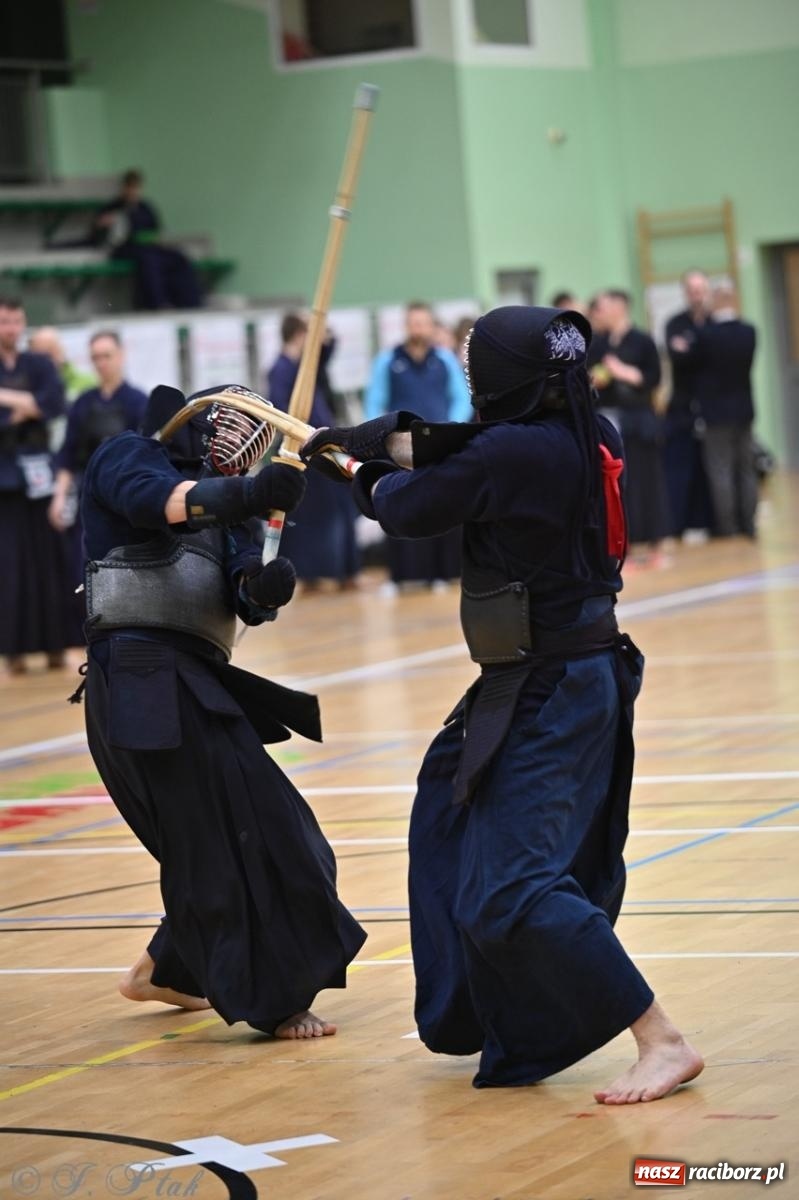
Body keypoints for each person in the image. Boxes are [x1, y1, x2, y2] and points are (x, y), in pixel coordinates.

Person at [303, 305, 703, 1102]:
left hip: (550, 684)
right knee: (446, 809)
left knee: (511, 884)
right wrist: (385, 434)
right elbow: (461, 448)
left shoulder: (514, 451)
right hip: (555, 672)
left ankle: (661, 1038)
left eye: (474, 361)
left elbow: (407, 508)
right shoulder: (587, 429)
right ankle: (489, 1014)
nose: (466, 370)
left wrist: (348, 466)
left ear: (504, 377)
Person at [78, 384, 366, 1036]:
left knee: (275, 833)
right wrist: (249, 495)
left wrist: (262, 588)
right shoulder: (129, 456)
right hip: (137, 681)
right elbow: (157, 506)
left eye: (253, 427)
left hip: (199, 681)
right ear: (191, 418)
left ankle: (165, 971)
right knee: (216, 843)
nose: (239, 438)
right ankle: (273, 1001)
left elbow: (245, 593)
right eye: (229, 420)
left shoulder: (233, 503)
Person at [365, 301, 471, 589]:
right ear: (406, 325)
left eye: (424, 323)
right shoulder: (389, 361)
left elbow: (460, 397)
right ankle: (401, 576)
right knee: (402, 503)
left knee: (440, 506)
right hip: (400, 446)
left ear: (431, 326)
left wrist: (452, 427)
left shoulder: (444, 360)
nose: (419, 329)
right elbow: (375, 401)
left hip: (438, 444)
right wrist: (380, 433)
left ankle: (442, 574)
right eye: (414, 323)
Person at [0, 297, 80, 674]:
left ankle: (55, 645)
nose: (11, 328)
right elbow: (37, 406)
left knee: (50, 562)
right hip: (4, 479)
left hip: (40, 474)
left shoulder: (39, 364)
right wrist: (28, 406)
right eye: (4, 322)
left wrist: (10, 399)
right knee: (10, 565)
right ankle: (13, 649)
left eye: (16, 321)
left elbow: (55, 404)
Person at [267, 313, 359, 590]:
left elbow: (328, 348)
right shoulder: (281, 369)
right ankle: (313, 575)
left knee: (341, 508)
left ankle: (345, 572)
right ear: (298, 336)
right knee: (312, 517)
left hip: (322, 444)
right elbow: (282, 410)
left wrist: (319, 323)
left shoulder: (305, 367)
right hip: (304, 451)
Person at [588, 290, 671, 566]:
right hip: (611, 421)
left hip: (640, 421)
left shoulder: (642, 341)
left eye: (605, 306)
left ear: (620, 307)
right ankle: (628, 549)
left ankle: (657, 544)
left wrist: (621, 371)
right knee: (621, 486)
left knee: (648, 482)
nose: (600, 312)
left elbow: (653, 378)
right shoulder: (599, 343)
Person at [675, 285, 758, 537]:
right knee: (746, 468)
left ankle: (728, 526)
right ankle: (749, 523)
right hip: (744, 409)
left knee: (720, 470)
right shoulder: (749, 332)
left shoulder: (705, 335)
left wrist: (684, 345)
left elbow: (689, 360)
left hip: (714, 412)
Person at [49, 330, 148, 536]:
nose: (101, 363)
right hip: (89, 497)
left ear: (121, 355)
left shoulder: (138, 402)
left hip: (127, 497)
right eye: (95, 357)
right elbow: (68, 453)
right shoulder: (83, 402)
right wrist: (59, 497)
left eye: (107, 356)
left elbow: (148, 454)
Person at [89, 170, 202, 311]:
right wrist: (103, 223)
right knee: (149, 261)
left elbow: (157, 232)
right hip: (125, 249)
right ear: (124, 188)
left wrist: (154, 239)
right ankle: (157, 304)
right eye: (130, 187)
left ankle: (190, 302)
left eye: (136, 188)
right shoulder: (113, 207)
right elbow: (100, 234)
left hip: (149, 248)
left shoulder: (146, 207)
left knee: (179, 258)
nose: (133, 191)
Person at [664, 271, 713, 538]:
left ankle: (711, 521)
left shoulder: (715, 322)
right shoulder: (675, 323)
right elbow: (678, 357)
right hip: (682, 405)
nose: (696, 294)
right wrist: (699, 350)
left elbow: (714, 358)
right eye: (691, 289)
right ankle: (679, 523)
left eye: (700, 289)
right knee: (680, 464)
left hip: (711, 404)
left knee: (711, 466)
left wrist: (693, 347)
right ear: (685, 292)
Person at [28, 327, 96, 404]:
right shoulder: (27, 387)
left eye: (53, 349)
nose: (47, 360)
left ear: (61, 349)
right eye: (43, 354)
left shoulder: (89, 382)